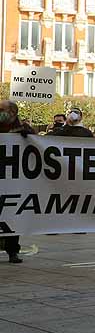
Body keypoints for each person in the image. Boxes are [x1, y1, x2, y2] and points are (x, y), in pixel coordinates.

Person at [0, 100, 32, 263]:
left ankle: (13, 251)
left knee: (13, 216)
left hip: (14, 181)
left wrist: (28, 136)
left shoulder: (24, 128)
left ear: (12, 112)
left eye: (2, 109)